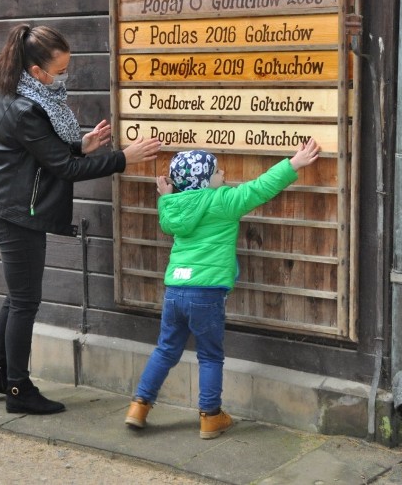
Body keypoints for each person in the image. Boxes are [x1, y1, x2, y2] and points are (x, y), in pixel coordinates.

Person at [0, 24, 161, 415]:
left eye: (66, 69)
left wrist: (81, 143)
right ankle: (17, 390)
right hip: (16, 213)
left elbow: (45, 150)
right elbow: (63, 167)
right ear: (35, 71)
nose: (64, 77)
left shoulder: (26, 94)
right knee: (26, 302)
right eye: (59, 71)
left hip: (8, 204)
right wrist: (123, 159)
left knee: (17, 298)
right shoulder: (26, 106)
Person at [125, 141, 321, 438]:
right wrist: (294, 163)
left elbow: (169, 215)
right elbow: (260, 187)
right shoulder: (223, 201)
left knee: (166, 350)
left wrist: (166, 196)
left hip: (176, 288)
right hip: (206, 292)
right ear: (205, 179)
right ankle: (210, 416)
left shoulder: (172, 206)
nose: (223, 172)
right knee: (210, 356)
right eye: (217, 170)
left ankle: (139, 406)